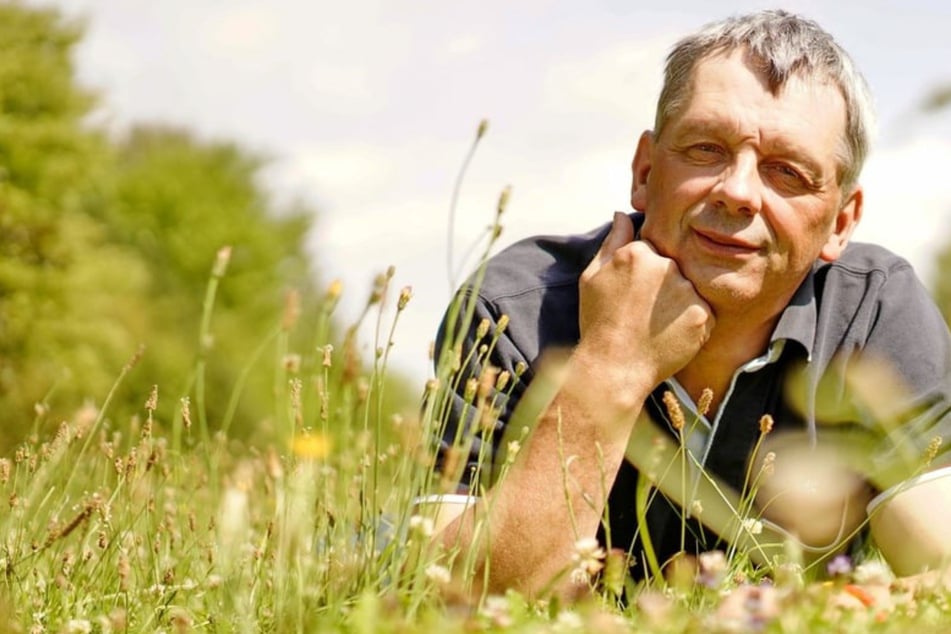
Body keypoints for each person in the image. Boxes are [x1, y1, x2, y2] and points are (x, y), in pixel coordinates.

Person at [429, 9, 951, 597]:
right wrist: (612, 363)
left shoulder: (874, 311)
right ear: (646, 171)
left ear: (841, 222)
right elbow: (460, 597)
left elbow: (943, 569)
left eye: (787, 172)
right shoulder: (511, 310)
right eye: (706, 149)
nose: (737, 191)